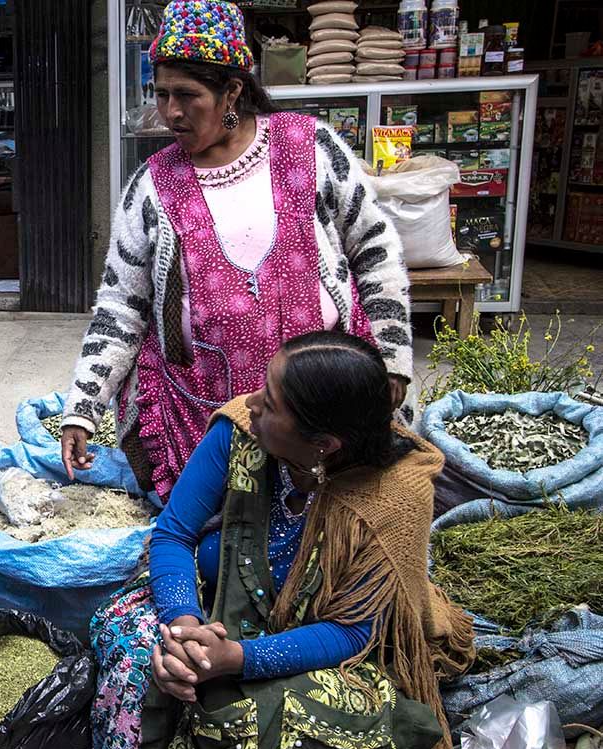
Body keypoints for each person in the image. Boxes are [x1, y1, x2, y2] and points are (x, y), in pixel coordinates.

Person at [88, 331, 475, 749]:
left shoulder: (392, 498)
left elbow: (353, 630)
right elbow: (174, 534)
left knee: (284, 728)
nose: (250, 403)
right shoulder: (238, 434)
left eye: (270, 403)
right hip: (211, 611)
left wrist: (238, 658)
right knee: (140, 660)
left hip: (315, 642)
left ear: (323, 443)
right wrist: (184, 628)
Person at [60, 0, 413, 499]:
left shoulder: (308, 149)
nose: (171, 112)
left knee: (320, 528)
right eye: (161, 94)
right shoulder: (154, 184)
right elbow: (122, 306)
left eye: (187, 95)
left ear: (232, 90)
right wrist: (82, 406)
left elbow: (375, 253)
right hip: (198, 419)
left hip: (315, 412)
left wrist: (392, 361)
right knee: (215, 541)